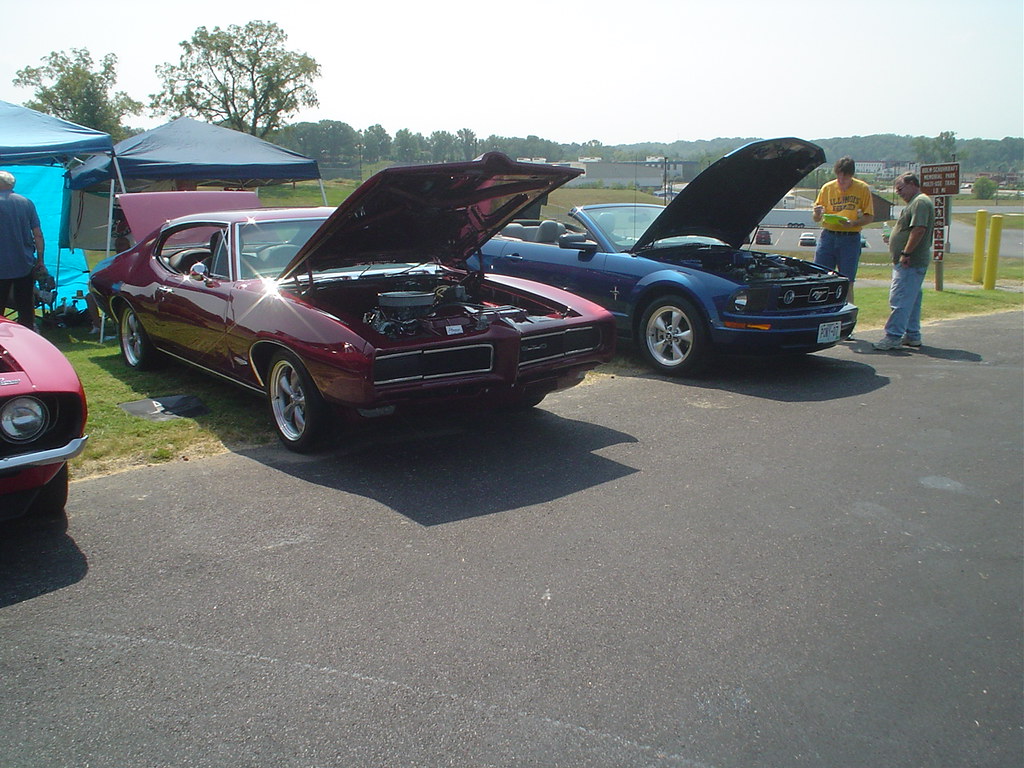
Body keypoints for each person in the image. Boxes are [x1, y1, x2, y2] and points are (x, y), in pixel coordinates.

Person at [872, 173, 935, 351]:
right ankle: (913, 335)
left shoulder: (920, 202)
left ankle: (893, 336)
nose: (899, 193)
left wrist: (906, 252)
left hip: (911, 261)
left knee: (899, 298)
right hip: (912, 261)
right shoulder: (917, 202)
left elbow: (919, 230)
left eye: (900, 189)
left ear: (912, 184)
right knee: (912, 299)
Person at [812, 156, 874, 302]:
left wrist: (853, 223)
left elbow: (869, 217)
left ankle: (846, 314)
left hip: (850, 238)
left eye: (845, 177)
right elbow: (816, 218)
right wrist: (817, 213)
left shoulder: (862, 189)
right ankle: (821, 313)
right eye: (839, 176)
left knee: (847, 281)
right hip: (828, 236)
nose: (841, 180)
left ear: (851, 175)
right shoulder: (827, 188)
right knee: (819, 277)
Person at [0, 170, 48, 330]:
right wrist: (40, 259)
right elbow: (38, 234)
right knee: (26, 307)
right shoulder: (26, 202)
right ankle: (28, 339)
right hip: (24, 262)